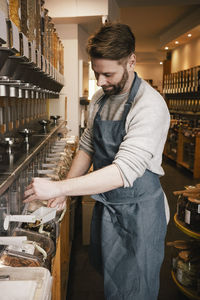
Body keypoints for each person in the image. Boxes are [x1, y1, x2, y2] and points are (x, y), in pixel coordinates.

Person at [24, 22, 170, 300]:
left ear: (131, 61)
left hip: (139, 212)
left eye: (108, 74)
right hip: (108, 208)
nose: (100, 81)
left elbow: (125, 171)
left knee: (135, 289)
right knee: (113, 281)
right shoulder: (100, 99)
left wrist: (59, 189)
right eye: (96, 73)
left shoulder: (149, 106)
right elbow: (89, 146)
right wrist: (65, 189)